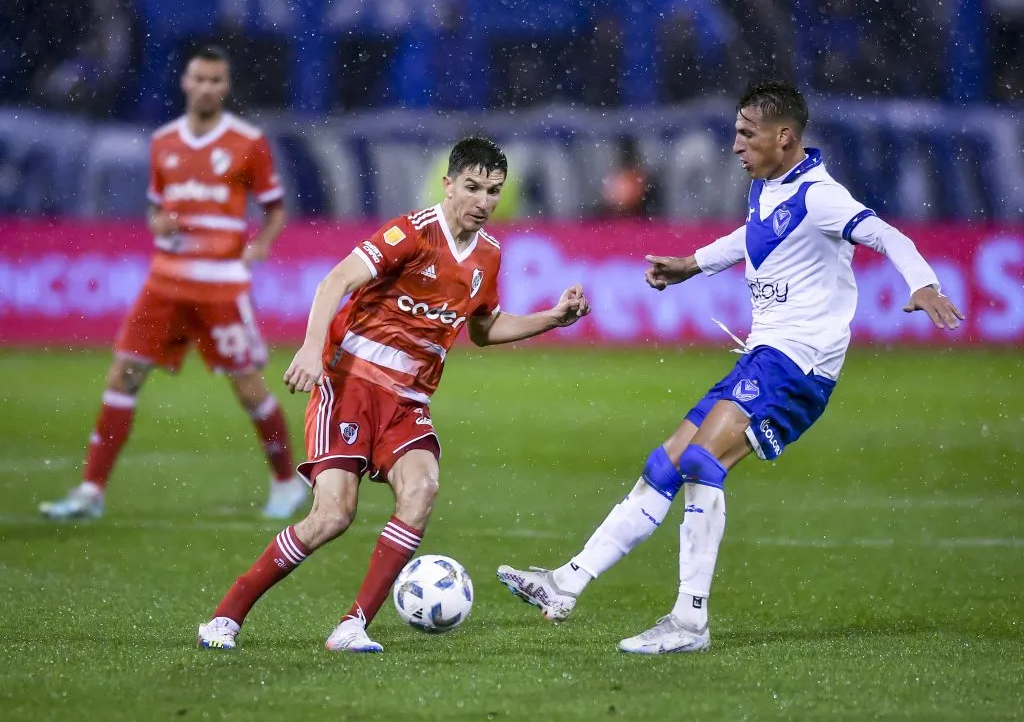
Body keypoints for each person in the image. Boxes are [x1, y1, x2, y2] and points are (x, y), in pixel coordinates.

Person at [496, 81, 964, 654]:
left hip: (799, 365)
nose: (736, 144)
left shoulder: (821, 196)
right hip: (765, 356)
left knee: (700, 460)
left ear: (784, 136)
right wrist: (692, 265)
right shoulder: (769, 189)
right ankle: (564, 584)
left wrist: (924, 283)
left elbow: (884, 233)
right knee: (663, 465)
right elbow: (755, 237)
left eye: (747, 133)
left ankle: (689, 622)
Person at [197, 137, 591, 653]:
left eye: (493, 191)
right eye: (472, 187)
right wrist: (313, 349)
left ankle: (353, 625)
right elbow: (335, 280)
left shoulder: (489, 255)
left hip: (408, 402)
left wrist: (552, 318)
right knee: (333, 516)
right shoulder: (413, 232)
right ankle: (226, 616)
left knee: (422, 490)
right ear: (448, 185)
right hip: (350, 386)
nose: (483, 201)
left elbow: (484, 328)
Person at [39, 46, 306, 521]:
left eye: (216, 80)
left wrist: (261, 244)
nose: (207, 88)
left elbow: (275, 207)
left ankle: (287, 483)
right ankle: (90, 491)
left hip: (221, 285)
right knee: (123, 374)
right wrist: (159, 221)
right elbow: (156, 206)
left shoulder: (247, 142)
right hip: (164, 282)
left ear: (225, 87)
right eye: (199, 79)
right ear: (185, 82)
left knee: (248, 387)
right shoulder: (163, 141)